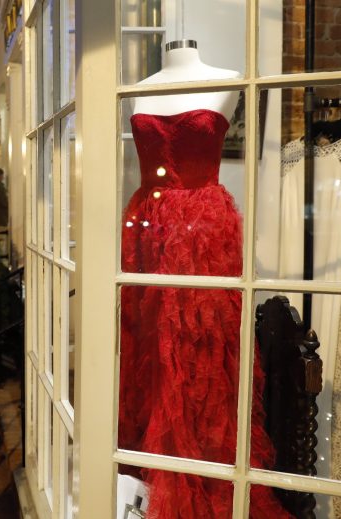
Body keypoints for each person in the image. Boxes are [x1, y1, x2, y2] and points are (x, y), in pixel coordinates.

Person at [118, 41, 291, 518]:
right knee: (151, 353)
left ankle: (204, 479)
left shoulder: (229, 75)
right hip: (148, 231)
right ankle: (154, 478)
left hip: (203, 237)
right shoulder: (137, 89)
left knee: (201, 357)